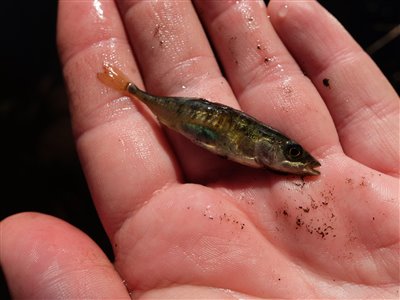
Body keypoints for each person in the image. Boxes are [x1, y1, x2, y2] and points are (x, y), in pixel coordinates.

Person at [2, 0, 399, 298]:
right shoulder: (251, 148)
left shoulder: (259, 154)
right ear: (265, 148)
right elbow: (216, 137)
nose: (297, 161)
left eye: (292, 154)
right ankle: (128, 89)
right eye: (291, 153)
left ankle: (129, 89)